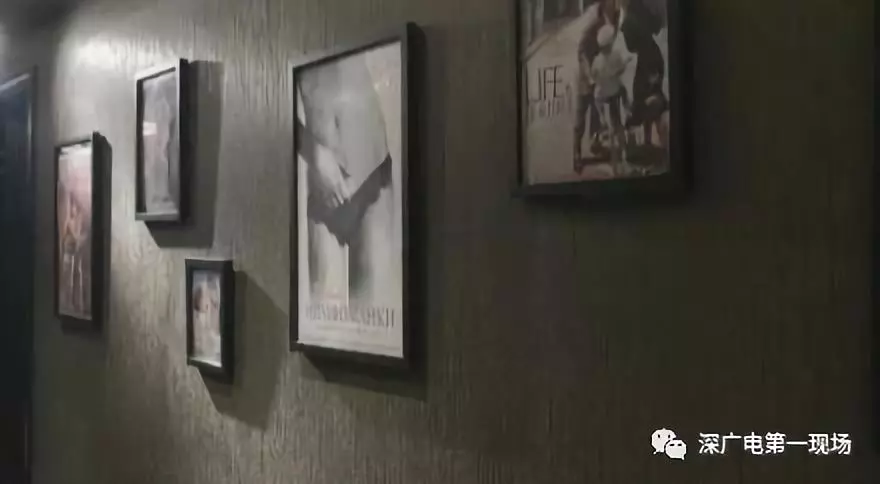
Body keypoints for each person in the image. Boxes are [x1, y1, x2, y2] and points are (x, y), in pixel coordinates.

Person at [297, 52, 397, 303]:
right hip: (324, 192)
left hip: (372, 174)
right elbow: (271, 107)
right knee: (320, 318)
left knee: (375, 318)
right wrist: (315, 154)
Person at [573, 0, 621, 168]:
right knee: (581, 115)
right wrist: (589, 76)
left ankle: (595, 143)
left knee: (597, 112)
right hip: (586, 75)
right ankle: (577, 153)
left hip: (602, 73)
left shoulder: (616, 16)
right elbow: (581, 51)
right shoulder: (594, 20)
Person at [619, 0, 668, 149]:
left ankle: (659, 142)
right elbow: (657, 27)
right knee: (652, 96)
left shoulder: (628, 22)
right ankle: (653, 141)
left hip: (646, 62)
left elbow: (631, 47)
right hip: (655, 57)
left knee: (646, 99)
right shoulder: (642, 8)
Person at [591, 24, 632, 161]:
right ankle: (627, 108)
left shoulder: (597, 60)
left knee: (595, 99)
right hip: (614, 93)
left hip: (601, 95)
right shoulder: (616, 55)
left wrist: (601, 78)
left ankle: (601, 119)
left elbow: (593, 75)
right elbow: (621, 70)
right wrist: (625, 64)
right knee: (618, 119)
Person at [60, 192, 87, 315]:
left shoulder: (79, 220)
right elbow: (73, 236)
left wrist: (80, 239)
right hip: (68, 251)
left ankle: (78, 305)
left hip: (75, 252)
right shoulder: (69, 221)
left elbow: (79, 237)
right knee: (68, 280)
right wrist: (78, 238)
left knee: (78, 277)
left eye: (74, 206)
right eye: (71, 206)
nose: (72, 209)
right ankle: (68, 306)